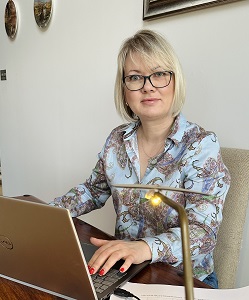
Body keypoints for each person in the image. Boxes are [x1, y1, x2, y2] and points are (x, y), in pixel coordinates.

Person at [50, 29, 230, 288]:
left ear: (175, 81)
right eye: (135, 77)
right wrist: (47, 214)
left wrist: (144, 248)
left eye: (159, 74)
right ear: (125, 90)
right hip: (128, 273)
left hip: (184, 281)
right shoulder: (116, 140)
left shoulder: (202, 146)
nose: (147, 86)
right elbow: (91, 191)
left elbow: (203, 232)